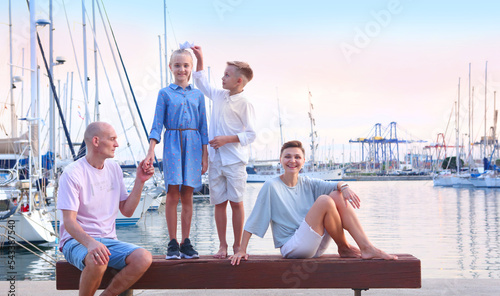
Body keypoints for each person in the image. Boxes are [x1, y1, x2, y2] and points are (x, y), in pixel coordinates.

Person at [230, 140, 397, 265]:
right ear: (280, 160)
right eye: (287, 156)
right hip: (292, 247)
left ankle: (366, 246)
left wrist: (344, 186)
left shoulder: (307, 182)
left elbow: (335, 185)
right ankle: (345, 246)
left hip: (315, 245)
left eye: (297, 157)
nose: (292, 161)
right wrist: (242, 249)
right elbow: (254, 219)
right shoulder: (271, 186)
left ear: (303, 162)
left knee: (337, 195)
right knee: (325, 200)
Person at [58, 122, 155, 296]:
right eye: (112, 139)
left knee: (144, 257)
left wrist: (140, 181)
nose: (117, 144)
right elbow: (69, 222)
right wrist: (91, 243)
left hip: (108, 240)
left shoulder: (113, 168)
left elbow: (127, 211)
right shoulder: (73, 173)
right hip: (76, 240)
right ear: (96, 141)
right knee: (97, 256)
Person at [191, 45, 256, 259]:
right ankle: (222, 245)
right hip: (216, 159)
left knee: (236, 203)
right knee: (219, 203)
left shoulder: (245, 103)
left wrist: (227, 139)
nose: (222, 78)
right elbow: (200, 82)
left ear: (239, 80)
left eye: (227, 75)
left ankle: (238, 246)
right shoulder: (218, 95)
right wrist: (199, 57)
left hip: (235, 160)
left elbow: (251, 134)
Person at [145, 49, 208, 260]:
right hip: (172, 143)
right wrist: (151, 150)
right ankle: (172, 242)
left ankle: (186, 242)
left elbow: (203, 127)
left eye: (186, 65)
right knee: (172, 194)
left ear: (191, 68)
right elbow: (157, 124)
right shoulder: (164, 93)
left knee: (188, 195)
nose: (182, 69)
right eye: (178, 65)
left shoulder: (198, 95)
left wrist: (205, 155)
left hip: (193, 144)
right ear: (170, 67)